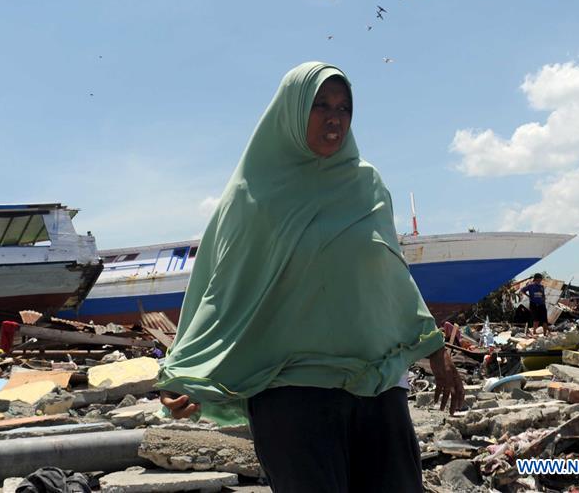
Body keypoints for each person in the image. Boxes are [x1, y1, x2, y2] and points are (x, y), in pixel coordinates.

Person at [156, 62, 464, 492]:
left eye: (343, 107)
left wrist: (433, 346)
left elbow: (390, 274)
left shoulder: (367, 184)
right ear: (291, 110)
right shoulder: (252, 196)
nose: (334, 117)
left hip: (377, 386)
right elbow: (220, 290)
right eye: (320, 105)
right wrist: (182, 374)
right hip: (291, 394)